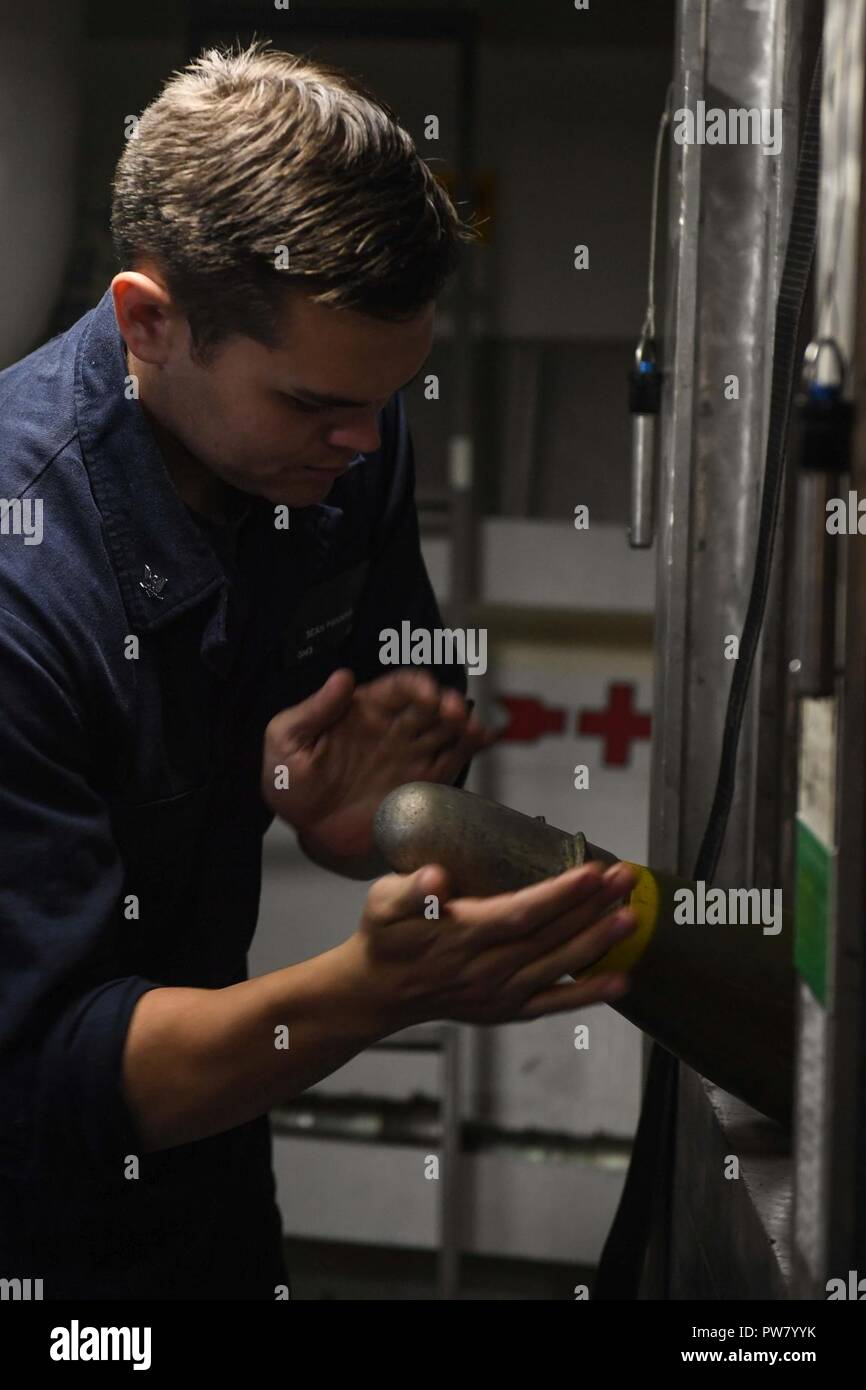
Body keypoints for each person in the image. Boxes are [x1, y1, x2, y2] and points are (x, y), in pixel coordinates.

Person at [0, 40, 637, 1300]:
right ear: (149, 322)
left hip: (210, 1154)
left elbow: (364, 776)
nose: (360, 438)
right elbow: (47, 1074)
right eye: (310, 405)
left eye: (386, 394)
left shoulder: (345, 437)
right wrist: (365, 994)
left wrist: (370, 823)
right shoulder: (24, 585)